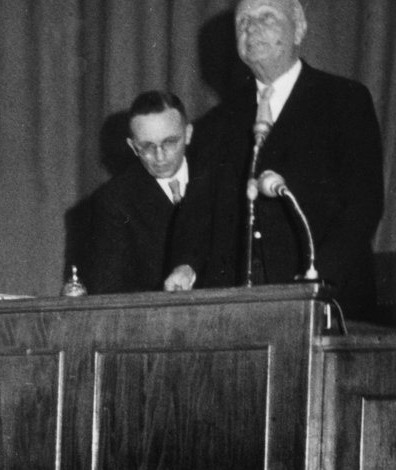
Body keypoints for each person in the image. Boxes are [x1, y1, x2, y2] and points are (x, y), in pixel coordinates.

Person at [167, 0, 384, 320]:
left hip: (327, 304)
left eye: (266, 17)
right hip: (239, 312)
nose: (251, 28)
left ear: (299, 29)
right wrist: (186, 265)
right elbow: (196, 216)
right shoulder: (216, 125)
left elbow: (363, 206)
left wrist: (314, 283)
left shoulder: (345, 100)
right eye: (243, 21)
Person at [87, 91, 204, 294]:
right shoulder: (114, 200)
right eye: (147, 146)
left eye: (170, 142)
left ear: (188, 133)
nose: (160, 156)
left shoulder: (219, 178)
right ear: (133, 146)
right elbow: (109, 288)